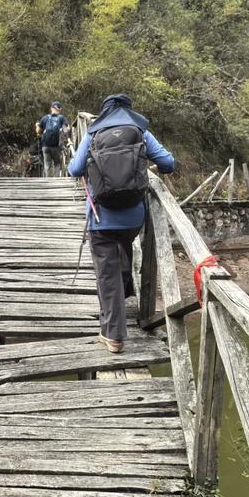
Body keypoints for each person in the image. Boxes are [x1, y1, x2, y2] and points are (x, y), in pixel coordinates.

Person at [69, 94, 174, 353]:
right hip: (132, 218)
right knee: (122, 254)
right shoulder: (139, 132)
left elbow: (74, 169)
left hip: (100, 218)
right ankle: (123, 300)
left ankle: (113, 335)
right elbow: (168, 163)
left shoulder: (92, 135)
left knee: (108, 276)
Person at [36, 102, 69, 177]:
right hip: (56, 146)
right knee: (57, 164)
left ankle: (47, 181)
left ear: (51, 108)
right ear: (60, 109)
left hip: (45, 146)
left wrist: (37, 125)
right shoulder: (61, 118)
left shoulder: (45, 118)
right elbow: (67, 129)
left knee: (47, 164)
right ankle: (56, 181)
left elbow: (38, 131)